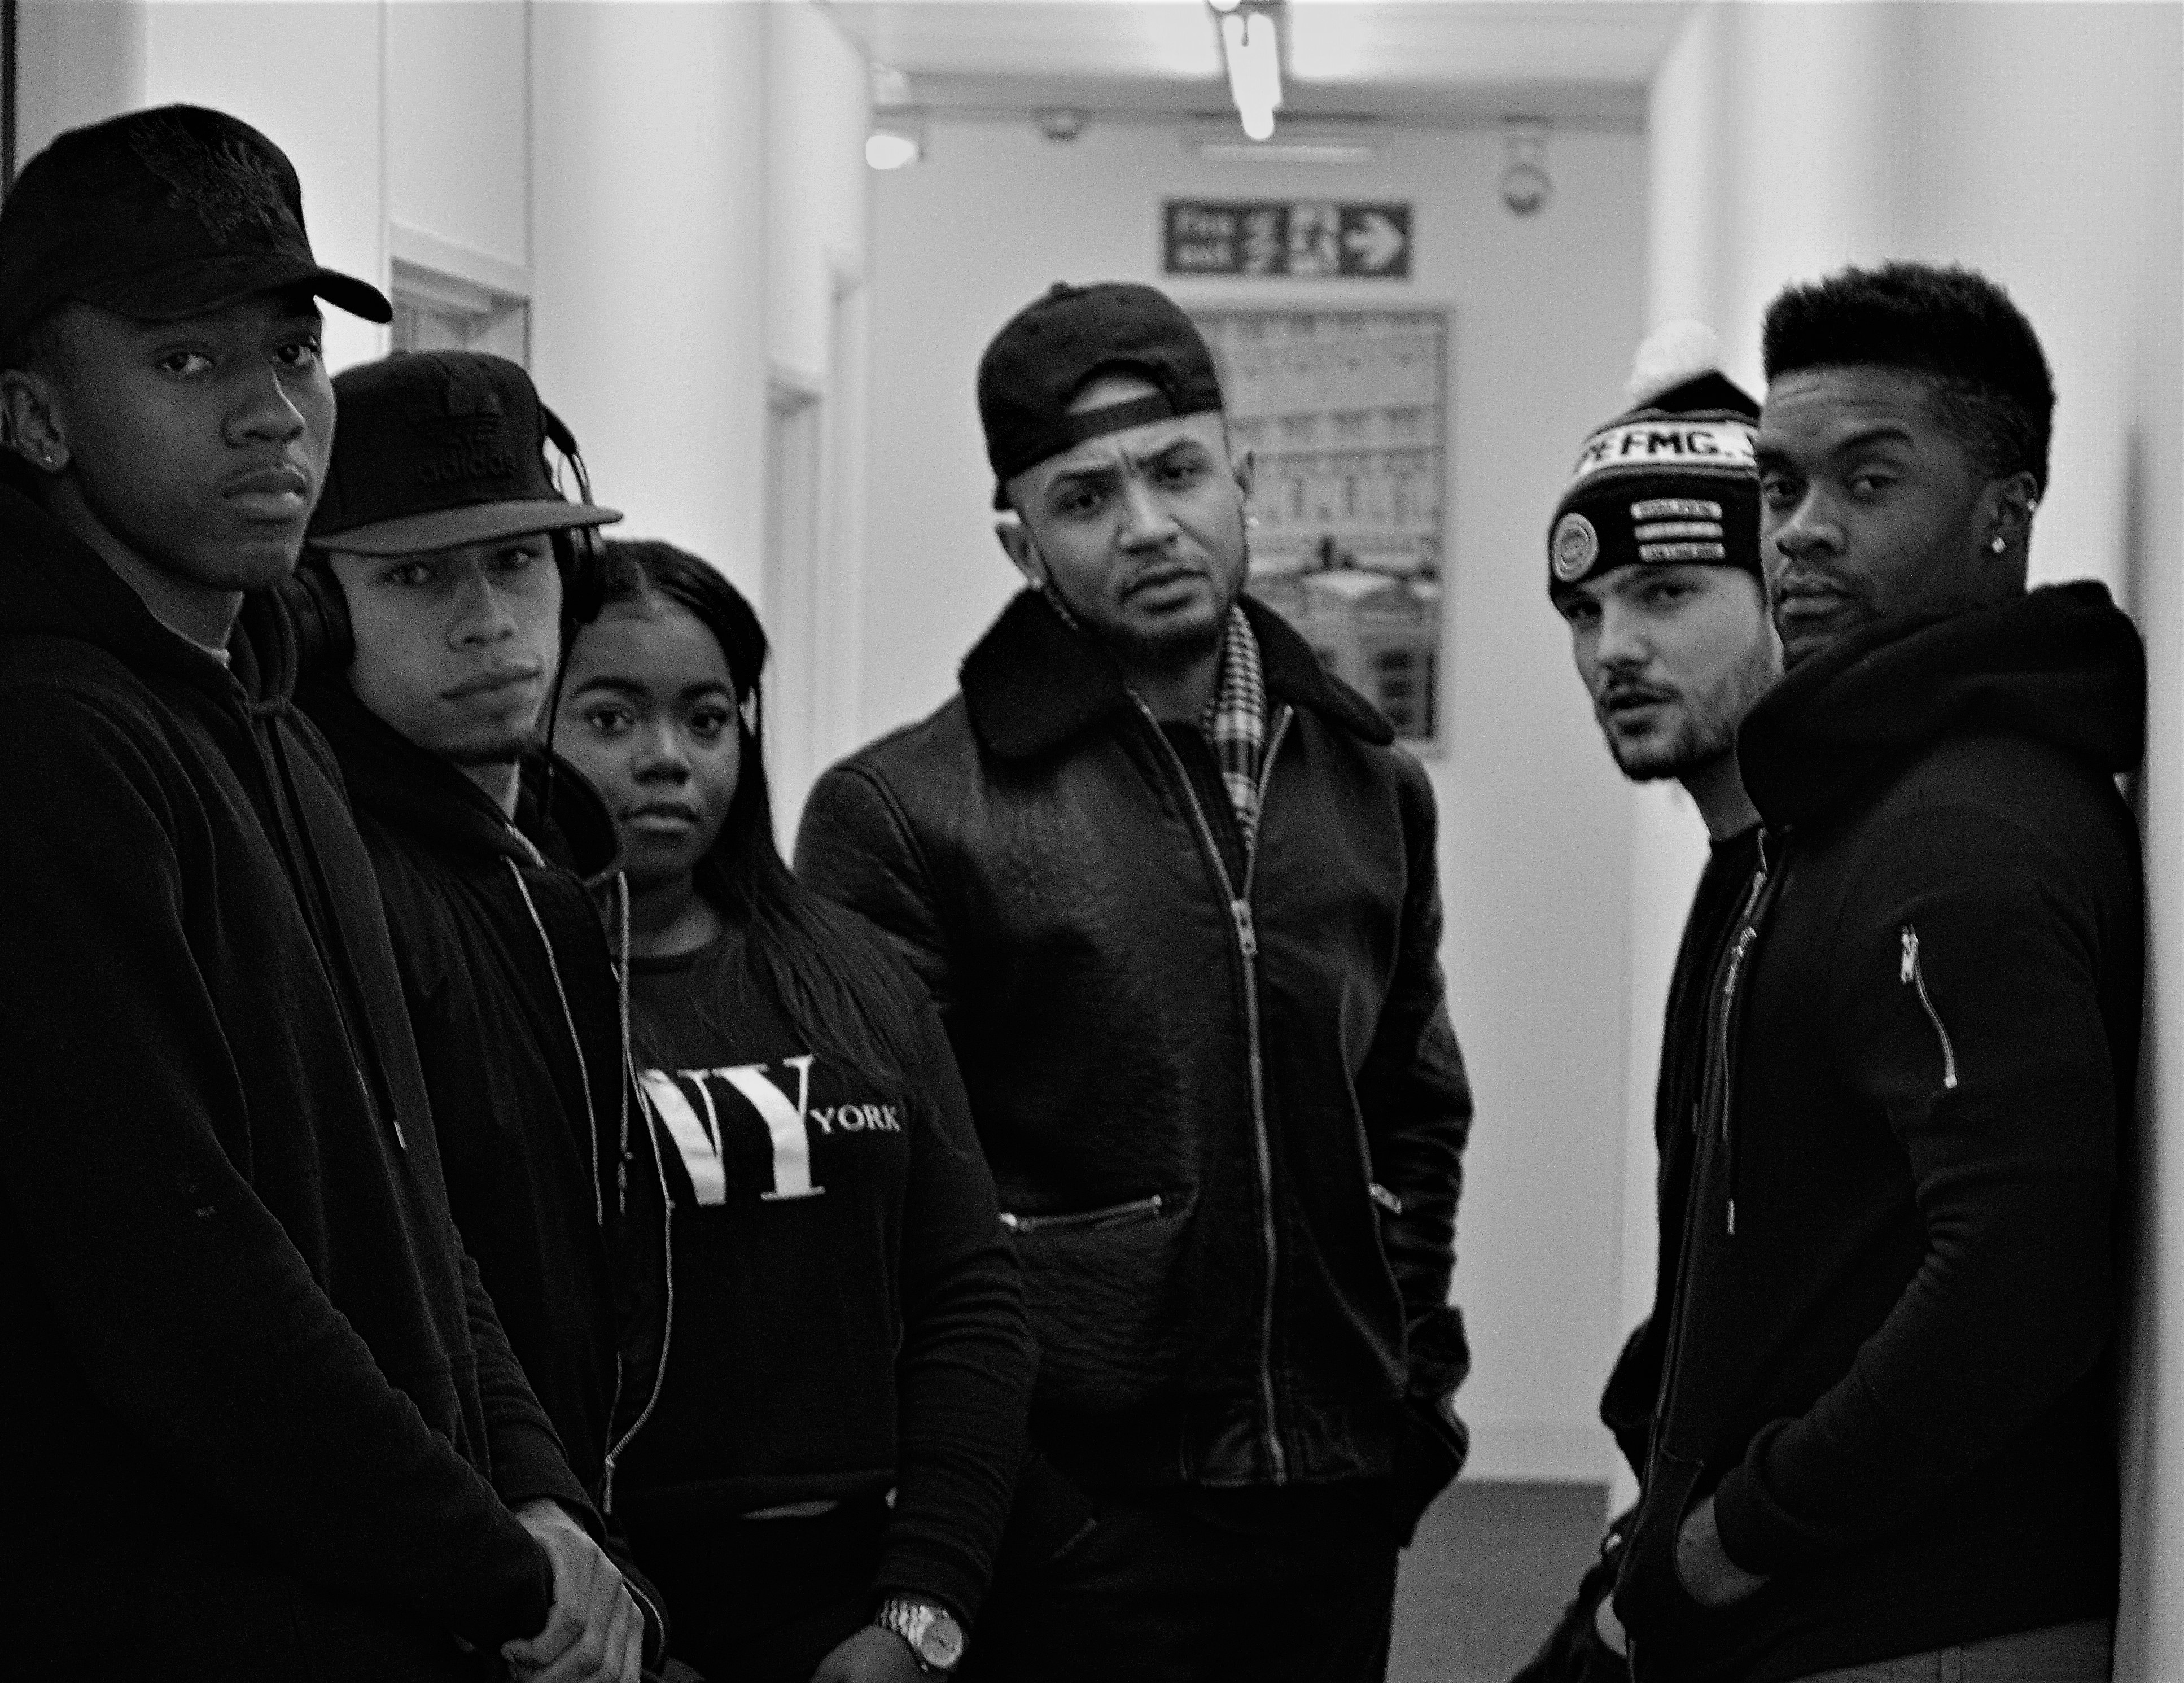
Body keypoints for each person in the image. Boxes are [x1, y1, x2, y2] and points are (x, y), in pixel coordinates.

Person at [0, 105, 640, 1679]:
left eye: (293, 353)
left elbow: (402, 1189)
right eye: (186, 360)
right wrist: (495, 1563)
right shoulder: (56, 741)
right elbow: (177, 1281)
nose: (271, 412)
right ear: (34, 416)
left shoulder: (271, 717)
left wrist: (536, 1492)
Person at [796, 280, 1474, 1683]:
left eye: (1177, 472)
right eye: (1087, 496)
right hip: (1072, 1524)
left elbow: (1415, 1114)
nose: (1149, 525)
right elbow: (875, 1209)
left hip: (1333, 1493)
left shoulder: (1370, 783)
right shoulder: (907, 813)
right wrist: (1012, 1506)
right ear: (1022, 540)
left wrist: (1411, 1404)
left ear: (1246, 477)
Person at [1611, 262, 2143, 1683]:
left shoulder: (1959, 832)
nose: (1803, 532)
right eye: (1780, 488)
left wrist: (1735, 1535)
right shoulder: (1860, 797)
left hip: (1913, 1625)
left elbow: (2019, 1279)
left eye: (1868, 482)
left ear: (2004, 511)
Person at [553, 539, 1034, 1683]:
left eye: (707, 719)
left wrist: (921, 1611)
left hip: (853, 1593)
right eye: (612, 719)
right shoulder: (500, 990)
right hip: (598, 1601)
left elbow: (969, 1297)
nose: (668, 758)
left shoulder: (853, 976)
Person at [291, 349, 677, 1668]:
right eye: (414, 577)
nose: (488, 621)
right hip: (460, 1578)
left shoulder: (547, 860)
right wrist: (518, 1517)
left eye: (517, 562)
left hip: (575, 1558)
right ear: (316, 612)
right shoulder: (333, 870)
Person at [1513, 322, 1778, 1682]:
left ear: (1786, 583)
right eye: (1584, 611)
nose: (1614, 647)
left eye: (1667, 593)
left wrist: (1701, 1549)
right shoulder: (1742, 868)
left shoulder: (1835, 877)